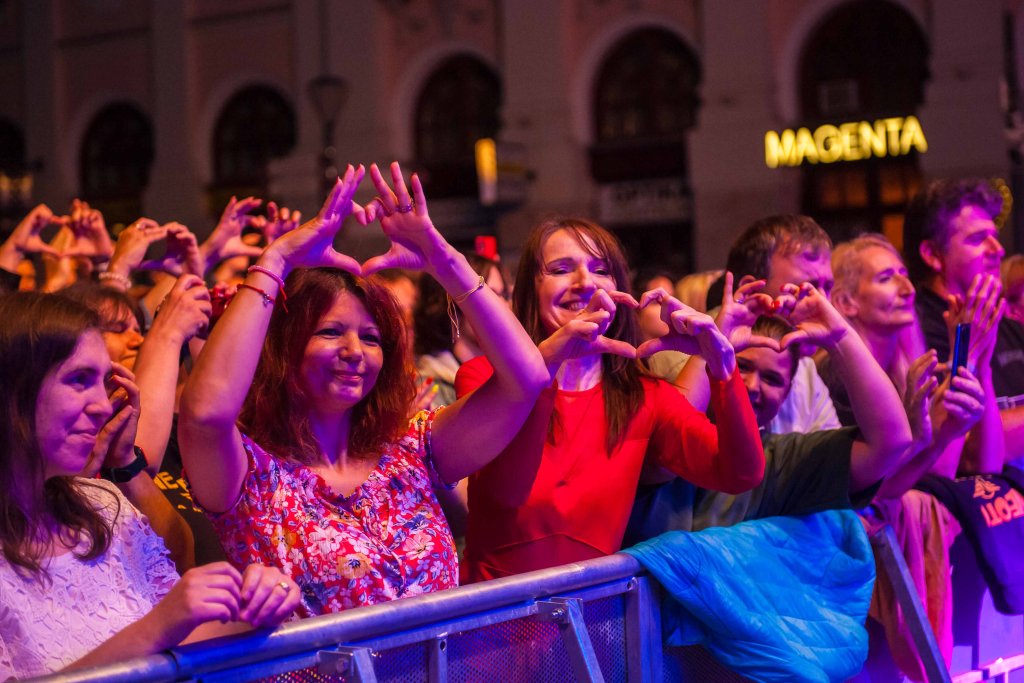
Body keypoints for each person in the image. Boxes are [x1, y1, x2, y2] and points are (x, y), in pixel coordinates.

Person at [178, 163, 548, 616]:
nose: (355, 350)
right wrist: (274, 261)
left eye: (371, 338)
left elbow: (527, 378)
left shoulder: (413, 450)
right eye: (331, 332)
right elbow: (204, 413)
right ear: (285, 348)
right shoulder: (251, 475)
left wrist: (443, 260)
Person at [0, 291, 299, 679]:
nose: (103, 406)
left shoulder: (101, 504)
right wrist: (158, 625)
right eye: (79, 380)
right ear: (12, 388)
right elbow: (160, 629)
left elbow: (179, 637)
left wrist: (253, 607)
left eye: (103, 382)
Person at [454, 217, 765, 583]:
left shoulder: (644, 397)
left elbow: (741, 472)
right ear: (529, 291)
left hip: (591, 622)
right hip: (493, 621)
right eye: (561, 269)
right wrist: (549, 361)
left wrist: (722, 364)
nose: (585, 282)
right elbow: (506, 494)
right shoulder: (483, 376)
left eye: (601, 269)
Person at [627, 284, 913, 540]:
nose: (752, 386)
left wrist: (839, 337)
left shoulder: (781, 460)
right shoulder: (653, 424)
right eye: (742, 366)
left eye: (773, 380)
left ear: (787, 393)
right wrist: (711, 349)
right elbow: (669, 440)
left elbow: (890, 444)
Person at [652, 215, 842, 435]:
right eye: (804, 289)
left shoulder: (803, 368)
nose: (823, 304)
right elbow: (667, 454)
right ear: (750, 291)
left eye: (827, 287)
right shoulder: (683, 359)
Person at [903, 179, 1024, 464]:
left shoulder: (1010, 327)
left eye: (994, 235)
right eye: (977, 239)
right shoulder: (914, 328)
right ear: (932, 255)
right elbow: (970, 448)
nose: (998, 249)